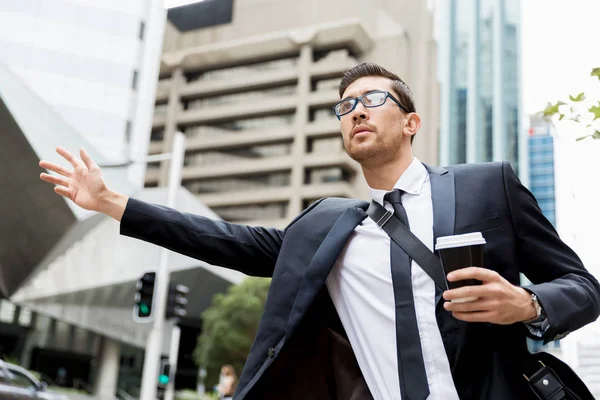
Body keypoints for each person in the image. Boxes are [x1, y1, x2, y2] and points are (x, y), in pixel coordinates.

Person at [39, 62, 600, 400]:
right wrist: (113, 203)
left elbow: (583, 285)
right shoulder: (330, 228)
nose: (356, 111)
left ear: (411, 122)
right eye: (346, 105)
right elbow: (229, 242)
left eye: (373, 99)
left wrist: (526, 303)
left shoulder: (487, 187)